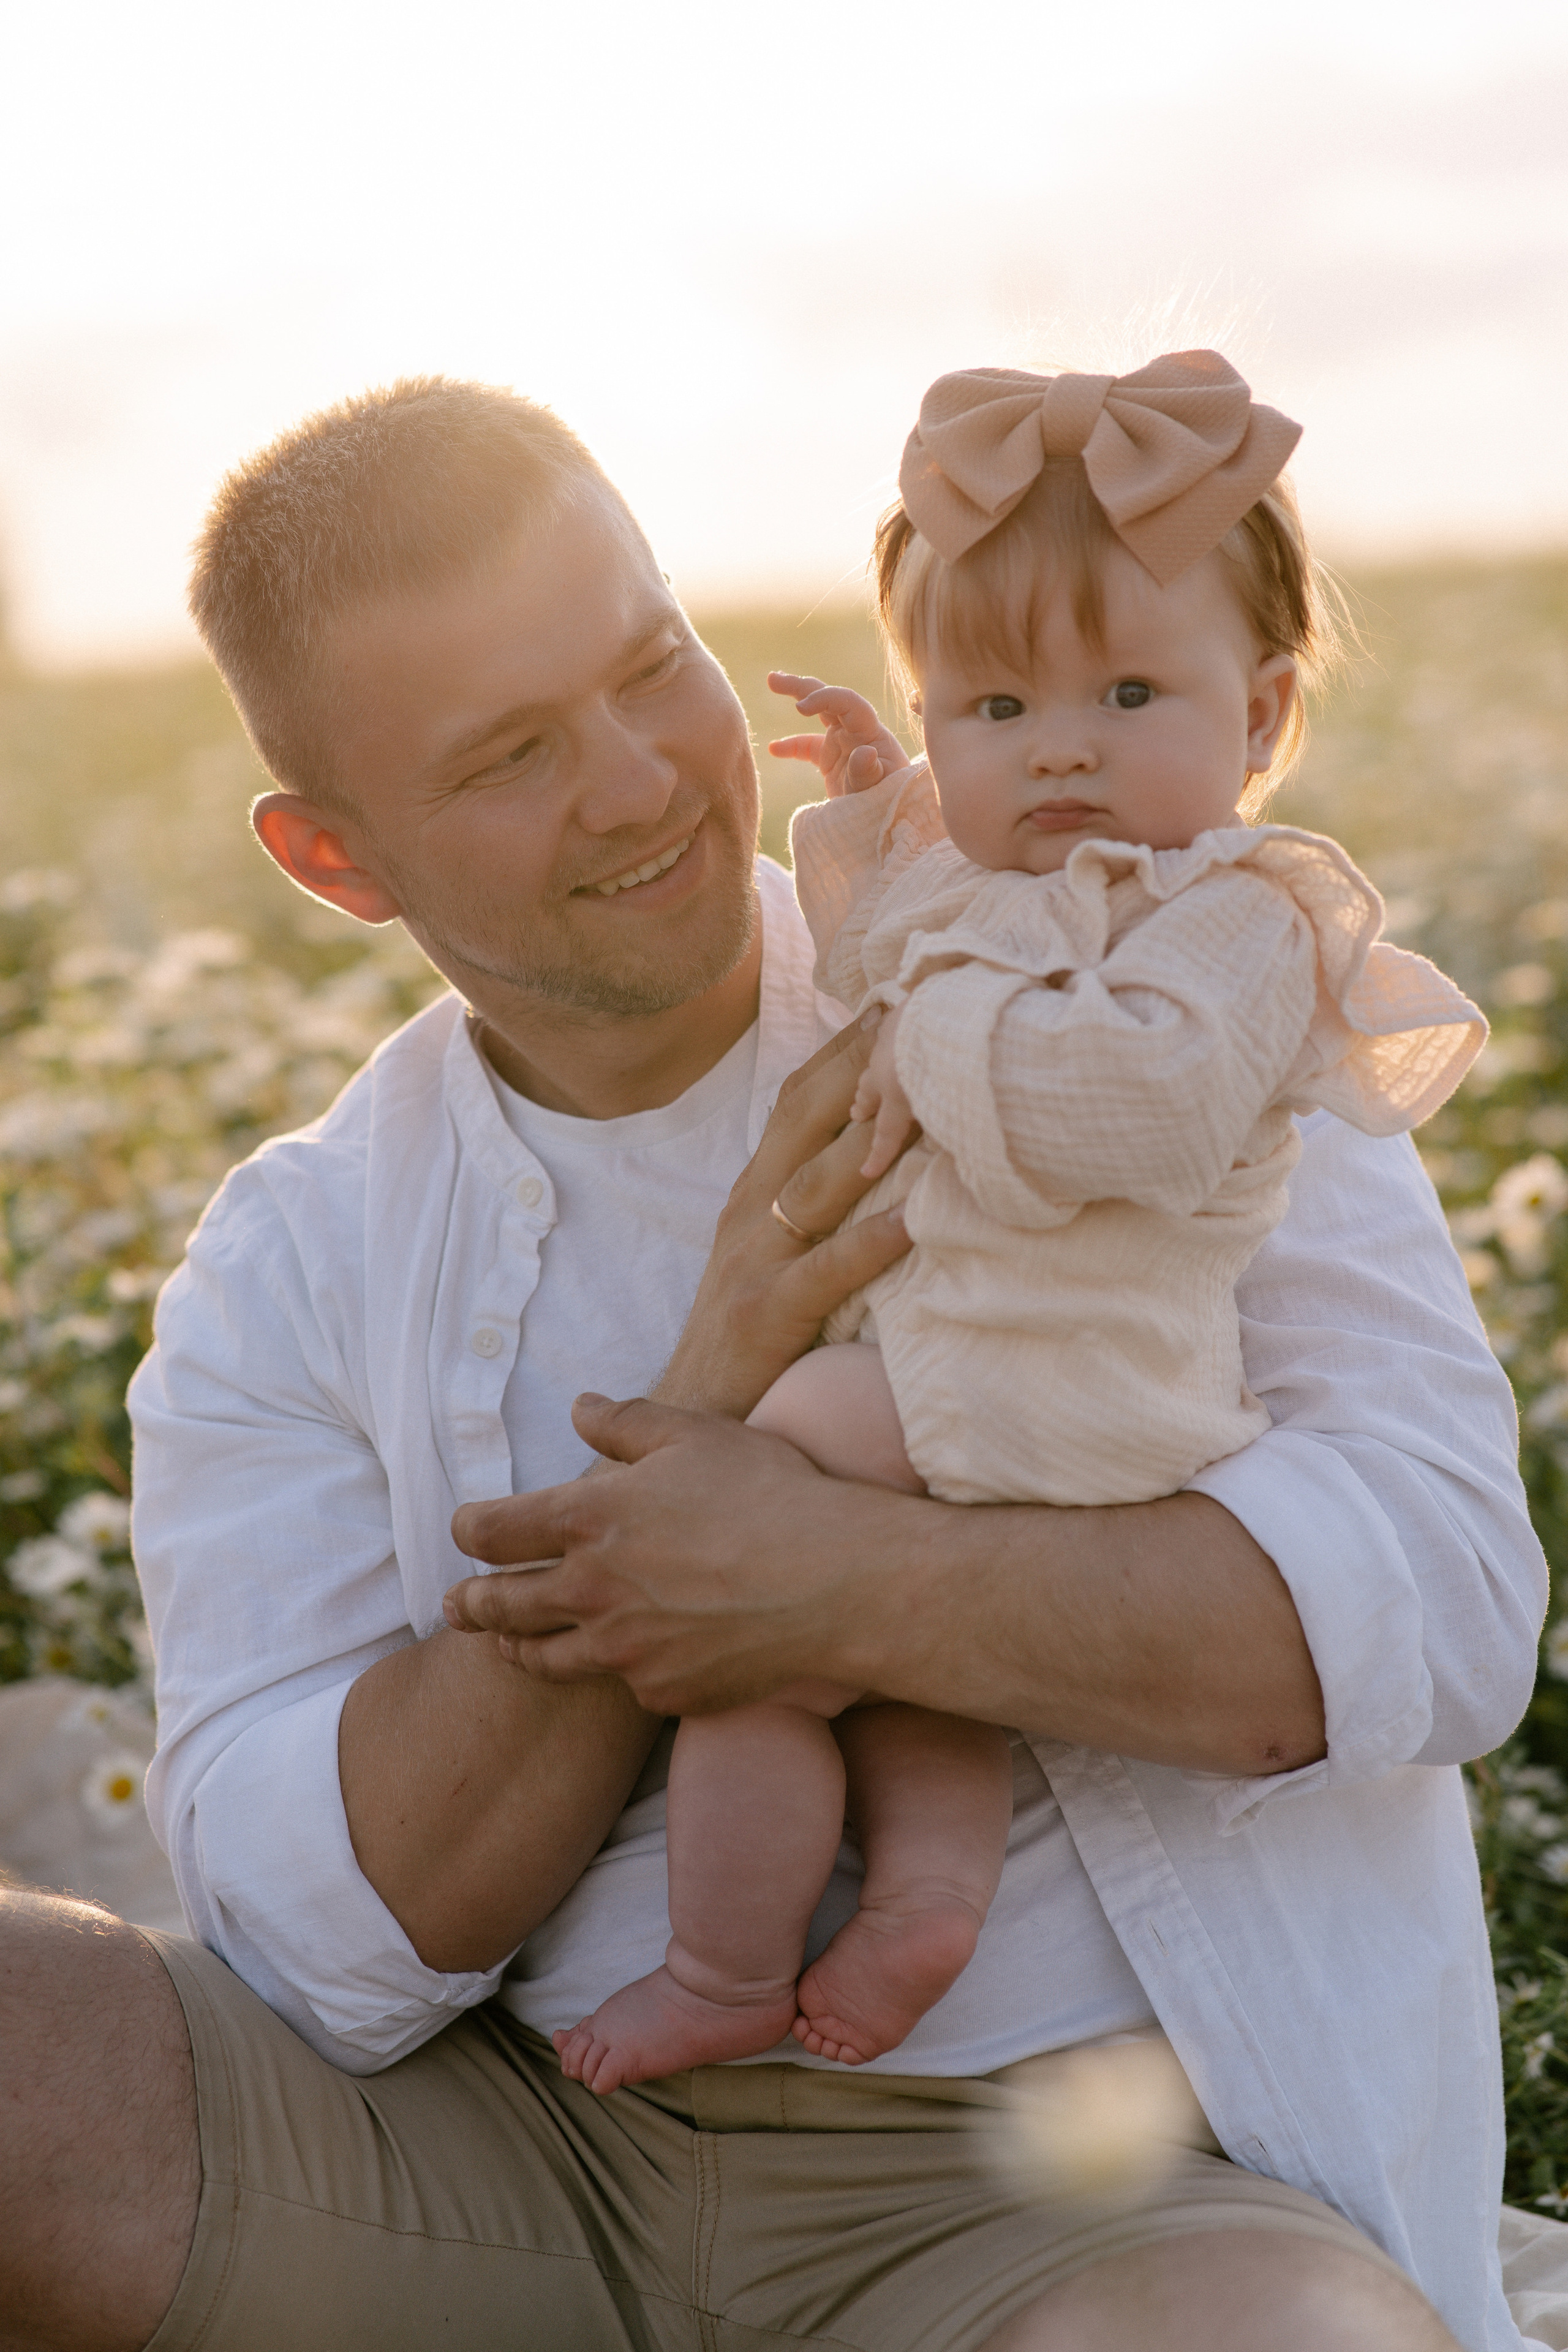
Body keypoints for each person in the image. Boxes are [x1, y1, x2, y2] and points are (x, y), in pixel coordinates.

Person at [0, 374, 1543, 2352]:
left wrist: (829, 1582)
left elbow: (1445, 1600)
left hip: (1081, 2186)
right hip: (516, 2163)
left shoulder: (1124, 989)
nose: (641, 780)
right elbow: (330, 1944)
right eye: (510, 756)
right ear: (334, 859)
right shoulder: (290, 1261)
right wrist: (712, 1383)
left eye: (656, 668)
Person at [552, 353, 1486, 2099]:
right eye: (987, 711)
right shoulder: (1005, 886)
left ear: (1267, 715)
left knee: (730, 1526)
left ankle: (720, 1960)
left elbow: (1131, 1106)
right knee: (881, 1641)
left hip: (1086, 1386)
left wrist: (937, 1017)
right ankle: (922, 1898)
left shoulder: (1250, 921)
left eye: (1128, 692)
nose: (1057, 747)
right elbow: (890, 937)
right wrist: (875, 805)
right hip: (991, 1373)